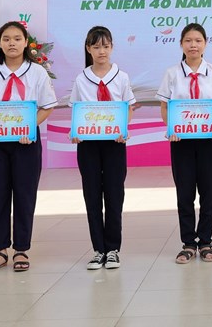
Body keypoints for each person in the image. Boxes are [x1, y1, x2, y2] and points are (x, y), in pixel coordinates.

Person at [0, 21, 57, 273]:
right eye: (6, 39)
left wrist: (29, 127)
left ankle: (21, 249)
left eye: (17, 38)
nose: (12, 43)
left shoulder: (37, 72)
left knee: (24, 195)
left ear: (26, 43)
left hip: (26, 143)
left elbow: (47, 106)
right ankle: (0, 250)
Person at [157, 23, 212, 264]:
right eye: (188, 40)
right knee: (185, 192)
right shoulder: (172, 73)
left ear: (205, 44)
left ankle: (206, 241)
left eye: (198, 40)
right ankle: (188, 243)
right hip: (181, 142)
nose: (193, 45)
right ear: (181, 44)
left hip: (210, 140)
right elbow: (165, 106)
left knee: (209, 192)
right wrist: (172, 128)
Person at [69, 26, 136, 271]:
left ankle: (113, 249)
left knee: (115, 194)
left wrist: (123, 128)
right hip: (88, 145)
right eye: (96, 47)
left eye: (106, 46)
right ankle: (98, 249)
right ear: (88, 49)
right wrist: (76, 132)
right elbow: (77, 109)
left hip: (114, 144)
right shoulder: (81, 78)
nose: (101, 51)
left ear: (112, 47)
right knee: (92, 195)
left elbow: (128, 107)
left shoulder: (122, 77)